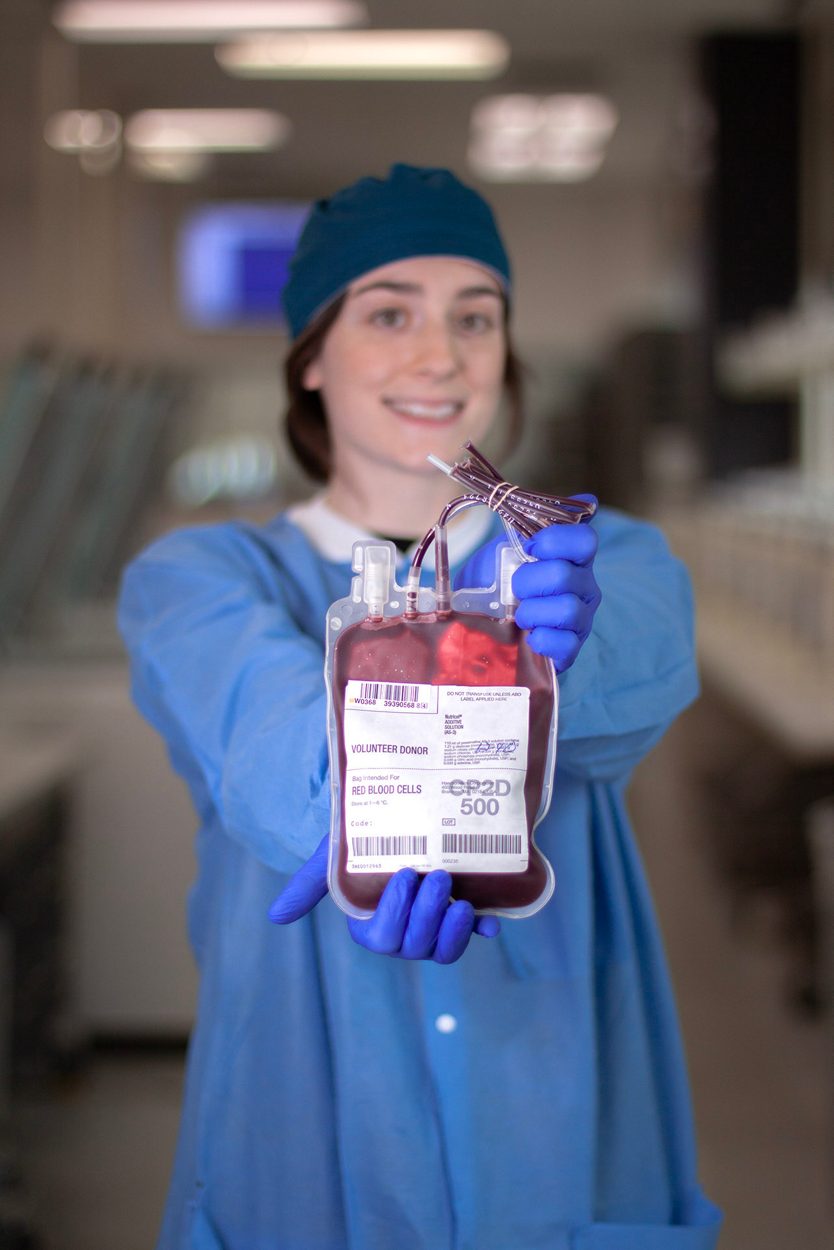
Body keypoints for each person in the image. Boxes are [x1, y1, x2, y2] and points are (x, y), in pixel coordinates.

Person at [118, 164, 722, 1249]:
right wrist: (357, 821)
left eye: (475, 317)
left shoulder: (607, 560)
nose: (439, 354)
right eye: (389, 311)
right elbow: (263, 730)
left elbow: (643, 661)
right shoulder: (199, 576)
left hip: (557, 1136)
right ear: (311, 358)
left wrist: (558, 652)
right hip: (296, 1137)